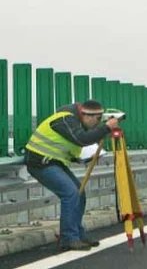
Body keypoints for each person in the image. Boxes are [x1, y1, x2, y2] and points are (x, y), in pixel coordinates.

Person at [24, 100, 119, 251]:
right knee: (71, 193)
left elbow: (71, 145)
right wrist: (106, 128)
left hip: (54, 162)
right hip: (40, 162)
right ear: (86, 115)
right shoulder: (64, 119)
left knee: (79, 193)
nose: (97, 123)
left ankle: (78, 236)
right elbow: (80, 139)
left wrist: (83, 156)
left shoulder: (76, 123)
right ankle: (68, 238)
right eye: (97, 120)